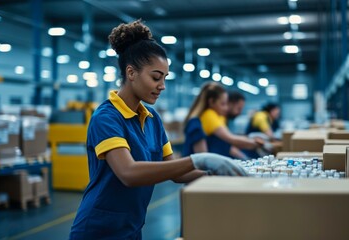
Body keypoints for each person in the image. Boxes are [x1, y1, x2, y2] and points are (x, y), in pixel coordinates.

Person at [69, 20, 246, 240]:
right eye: (155, 77)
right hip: (98, 229)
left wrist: (222, 171)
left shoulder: (152, 120)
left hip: (132, 227)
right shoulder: (106, 118)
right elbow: (128, 173)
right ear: (131, 73)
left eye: (164, 78)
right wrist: (198, 159)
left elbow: (174, 171)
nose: (162, 86)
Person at [183, 82, 262, 160]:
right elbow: (202, 161)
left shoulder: (216, 116)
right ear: (211, 102)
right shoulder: (208, 115)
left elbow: (226, 145)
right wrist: (259, 144)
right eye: (223, 104)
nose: (226, 108)